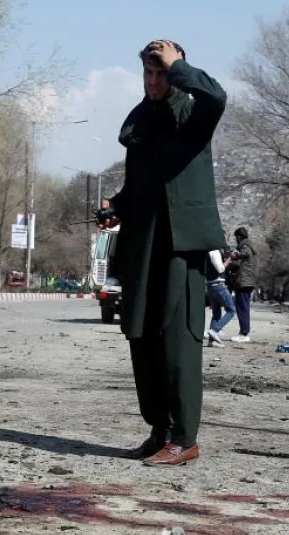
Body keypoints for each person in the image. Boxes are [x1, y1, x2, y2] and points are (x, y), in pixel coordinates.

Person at [98, 39, 226, 467]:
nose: (154, 82)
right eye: (149, 74)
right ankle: (160, 430)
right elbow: (141, 185)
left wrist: (177, 68)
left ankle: (185, 438)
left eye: (162, 73)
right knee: (144, 336)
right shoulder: (144, 120)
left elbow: (217, 96)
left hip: (179, 245)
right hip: (143, 242)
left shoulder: (193, 113)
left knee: (178, 339)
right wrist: (115, 208)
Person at [225, 226, 256, 341]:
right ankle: (244, 331)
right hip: (246, 281)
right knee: (243, 307)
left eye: (236, 238)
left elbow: (243, 255)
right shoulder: (247, 245)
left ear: (239, 236)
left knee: (242, 308)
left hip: (243, 281)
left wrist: (233, 256)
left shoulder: (245, 246)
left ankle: (243, 333)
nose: (235, 240)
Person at [205, 245, 236, 344]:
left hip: (211, 285)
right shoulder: (214, 251)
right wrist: (230, 258)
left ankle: (212, 341)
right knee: (231, 310)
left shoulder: (207, 251)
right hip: (219, 285)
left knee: (216, 314)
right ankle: (215, 330)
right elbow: (220, 269)